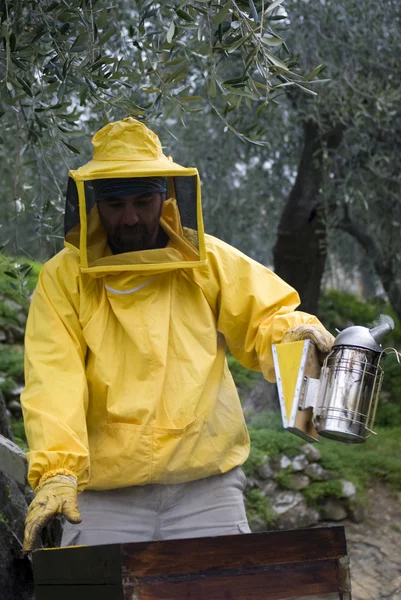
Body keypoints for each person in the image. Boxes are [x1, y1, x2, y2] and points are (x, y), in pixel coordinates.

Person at [21, 118, 334, 552]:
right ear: (93, 203)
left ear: (166, 196)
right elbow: (54, 379)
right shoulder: (63, 278)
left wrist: (295, 334)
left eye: (143, 201)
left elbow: (265, 320)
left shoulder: (207, 260)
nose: (130, 218)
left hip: (207, 491)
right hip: (106, 498)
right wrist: (57, 470)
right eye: (115, 205)